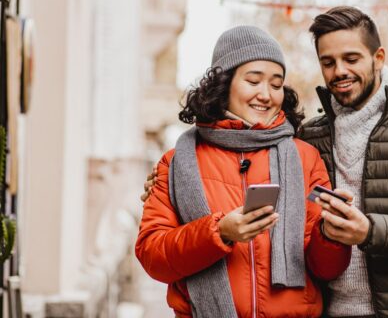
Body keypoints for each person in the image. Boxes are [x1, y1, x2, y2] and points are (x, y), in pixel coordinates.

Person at [142, 7, 388, 318]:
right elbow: (154, 253)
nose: (339, 70)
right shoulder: (312, 136)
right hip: (335, 310)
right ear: (224, 83)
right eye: (328, 62)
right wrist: (208, 221)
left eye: (351, 58)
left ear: (379, 58)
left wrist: (361, 232)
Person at [135, 25, 351, 318]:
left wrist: (331, 235)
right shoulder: (176, 163)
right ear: (224, 84)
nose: (266, 94)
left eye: (276, 84)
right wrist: (218, 232)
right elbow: (152, 256)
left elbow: (325, 269)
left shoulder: (304, 158)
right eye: (253, 81)